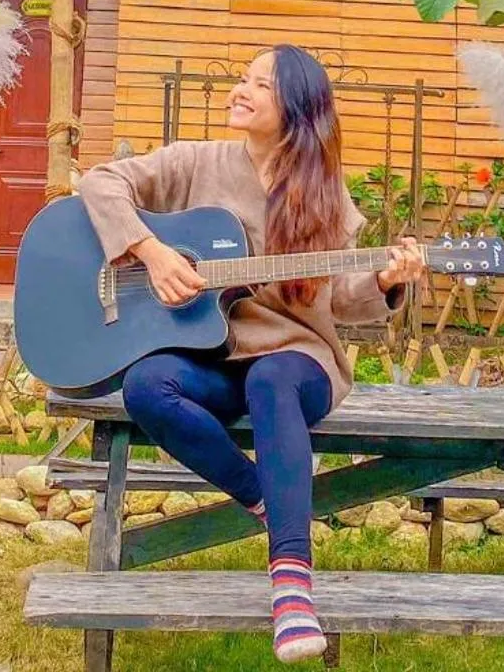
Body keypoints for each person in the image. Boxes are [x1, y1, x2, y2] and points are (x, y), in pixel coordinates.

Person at [76, 45, 426, 664]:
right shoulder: (195, 161)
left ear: (294, 107)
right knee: (146, 384)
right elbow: (100, 181)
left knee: (271, 378)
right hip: (212, 353)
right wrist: (152, 253)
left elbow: (339, 299)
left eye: (258, 85)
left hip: (297, 358)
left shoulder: (325, 193)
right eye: (242, 79)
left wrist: (388, 281)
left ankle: (292, 588)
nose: (239, 91)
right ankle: (266, 495)